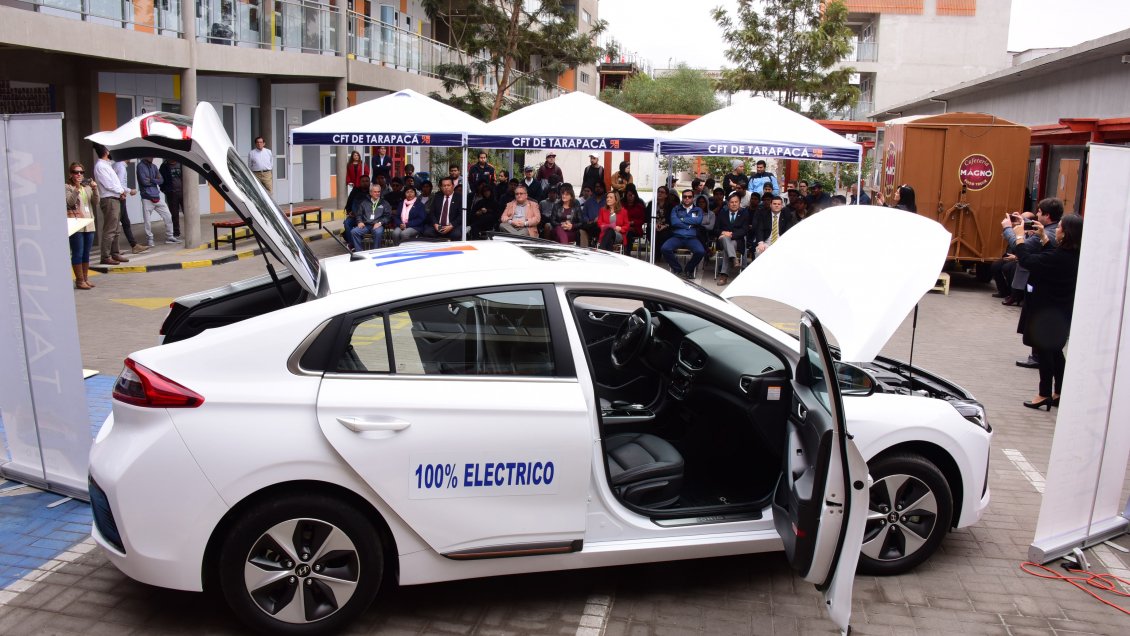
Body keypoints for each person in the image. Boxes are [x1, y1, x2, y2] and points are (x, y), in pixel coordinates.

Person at [1009, 213, 1083, 410]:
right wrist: (1043, 238)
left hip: (1045, 310)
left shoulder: (1058, 257)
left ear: (1066, 234)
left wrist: (1018, 237)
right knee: (1056, 352)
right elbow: (1053, 257)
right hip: (1061, 310)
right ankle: (1059, 391)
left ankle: (1044, 394)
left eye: (1059, 228)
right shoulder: (1074, 255)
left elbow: (1027, 260)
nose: (1056, 230)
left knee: (1045, 352)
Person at [1004, 198, 1063, 368]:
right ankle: (1039, 355)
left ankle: (1039, 357)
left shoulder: (1050, 234)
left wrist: (1009, 229)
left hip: (1044, 288)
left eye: (1039, 212)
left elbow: (1021, 248)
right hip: (1039, 285)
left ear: (1047, 215)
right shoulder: (1048, 231)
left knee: (1038, 321)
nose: (1037, 214)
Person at [92, 144, 131, 265]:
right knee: (110, 228)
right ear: (105, 151)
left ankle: (115, 253)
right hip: (109, 199)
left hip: (115, 198)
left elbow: (115, 183)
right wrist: (121, 191)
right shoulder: (100, 166)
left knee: (116, 228)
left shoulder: (107, 165)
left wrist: (121, 192)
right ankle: (105, 255)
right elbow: (108, 184)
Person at [65, 162, 98, 289]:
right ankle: (79, 280)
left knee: (86, 252)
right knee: (77, 252)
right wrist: (77, 189)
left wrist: (95, 189)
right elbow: (70, 202)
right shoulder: (68, 187)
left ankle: (85, 278)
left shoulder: (87, 187)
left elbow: (96, 202)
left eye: (81, 172)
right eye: (75, 172)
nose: (79, 174)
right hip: (76, 222)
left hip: (89, 223)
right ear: (71, 174)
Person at [661, 190, 705, 278]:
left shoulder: (698, 209)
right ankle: (678, 270)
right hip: (677, 237)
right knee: (665, 248)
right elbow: (674, 222)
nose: (687, 198)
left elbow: (698, 221)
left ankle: (688, 269)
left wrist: (681, 219)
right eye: (685, 197)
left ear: (693, 198)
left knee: (700, 251)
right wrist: (689, 226)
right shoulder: (676, 208)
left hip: (692, 238)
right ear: (682, 198)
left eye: (689, 197)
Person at [136, 157, 176, 245]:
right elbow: (144, 182)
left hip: (156, 196)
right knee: (147, 221)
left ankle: (170, 236)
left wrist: (151, 179)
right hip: (146, 197)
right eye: (150, 155)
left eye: (153, 156)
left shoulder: (154, 166)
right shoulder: (140, 166)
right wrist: (155, 180)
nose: (152, 157)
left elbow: (161, 180)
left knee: (168, 215)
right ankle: (150, 239)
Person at [715, 193, 751, 285]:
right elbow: (715, 229)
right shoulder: (722, 213)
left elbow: (745, 230)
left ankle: (724, 275)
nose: (734, 204)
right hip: (722, 241)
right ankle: (734, 258)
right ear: (728, 204)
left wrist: (731, 235)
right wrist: (723, 233)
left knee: (730, 243)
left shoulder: (744, 213)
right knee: (725, 239)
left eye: (736, 202)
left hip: (737, 241)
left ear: (739, 203)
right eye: (732, 202)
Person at [112, 157, 144, 252]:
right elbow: (119, 185)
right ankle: (113, 250)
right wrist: (130, 190)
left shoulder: (116, 165)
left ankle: (134, 245)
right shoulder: (121, 167)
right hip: (119, 197)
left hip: (119, 196)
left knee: (125, 222)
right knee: (116, 224)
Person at [351, 182, 390, 251]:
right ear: (370, 193)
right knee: (354, 232)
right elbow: (359, 214)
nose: (377, 193)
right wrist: (359, 222)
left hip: (377, 225)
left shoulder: (384, 203)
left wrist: (380, 223)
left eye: (378, 192)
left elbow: (387, 216)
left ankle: (376, 251)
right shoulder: (364, 203)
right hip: (366, 225)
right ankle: (359, 252)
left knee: (378, 232)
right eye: (375, 192)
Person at [158, 158, 184, 241]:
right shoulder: (164, 166)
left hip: (184, 193)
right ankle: (176, 233)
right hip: (171, 194)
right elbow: (160, 180)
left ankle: (191, 231)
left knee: (188, 212)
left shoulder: (182, 164)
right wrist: (165, 190)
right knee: (174, 214)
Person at [343, 174, 371, 243]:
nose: (365, 183)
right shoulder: (355, 191)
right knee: (347, 223)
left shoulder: (372, 192)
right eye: (363, 181)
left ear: (370, 182)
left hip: (368, 218)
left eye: (367, 181)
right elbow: (348, 204)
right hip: (355, 216)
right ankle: (352, 244)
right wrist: (349, 212)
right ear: (360, 182)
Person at [621, 184, 647, 253]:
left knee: (629, 233)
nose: (630, 197)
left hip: (635, 228)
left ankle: (627, 252)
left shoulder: (639, 206)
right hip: (622, 226)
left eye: (632, 195)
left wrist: (633, 222)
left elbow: (643, 219)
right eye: (629, 195)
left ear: (635, 195)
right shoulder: (621, 204)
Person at [579, 181, 604, 247]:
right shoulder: (589, 201)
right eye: (596, 187)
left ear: (603, 188)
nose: (598, 188)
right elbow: (584, 214)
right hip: (590, 224)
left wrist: (599, 219)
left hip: (601, 225)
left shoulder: (606, 201)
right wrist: (588, 221)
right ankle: (584, 251)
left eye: (600, 187)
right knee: (581, 230)